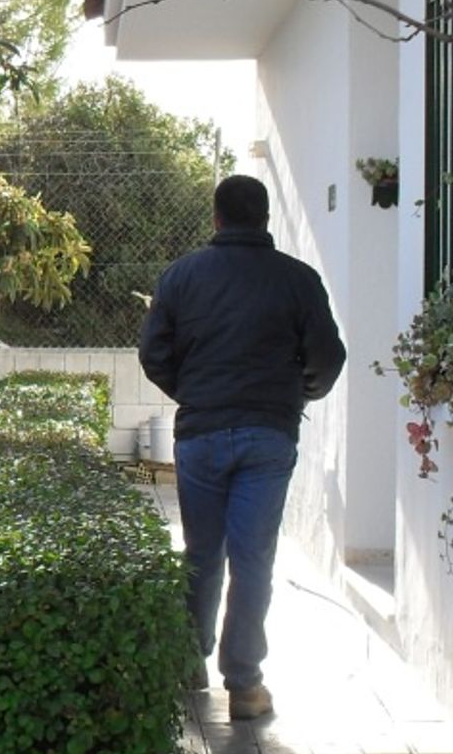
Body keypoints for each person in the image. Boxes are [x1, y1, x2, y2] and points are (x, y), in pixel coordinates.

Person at [139, 174, 346, 721]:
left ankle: (191, 661)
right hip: (268, 436)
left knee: (202, 554)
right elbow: (328, 356)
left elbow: (153, 353)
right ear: (265, 218)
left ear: (216, 218)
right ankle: (245, 686)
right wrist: (295, 394)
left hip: (202, 435)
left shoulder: (181, 276)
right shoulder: (298, 280)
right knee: (253, 559)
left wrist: (196, 393)